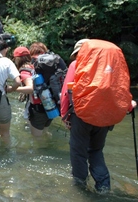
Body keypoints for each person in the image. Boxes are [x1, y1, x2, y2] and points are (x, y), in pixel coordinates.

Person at [60, 39, 137, 194]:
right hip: (105, 117)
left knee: (78, 152)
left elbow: (65, 94)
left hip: (81, 115)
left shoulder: (76, 65)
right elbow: (120, 89)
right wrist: (128, 106)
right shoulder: (112, 69)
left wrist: (64, 116)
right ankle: (103, 187)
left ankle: (80, 189)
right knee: (95, 151)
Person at [27, 41, 67, 137]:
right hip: (54, 104)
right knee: (45, 130)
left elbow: (30, 87)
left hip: (39, 107)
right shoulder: (55, 62)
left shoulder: (33, 65)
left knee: (36, 138)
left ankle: (41, 150)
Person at [13, 46, 34, 127]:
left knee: (29, 122)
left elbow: (30, 88)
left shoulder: (24, 70)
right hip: (42, 100)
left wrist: (13, 88)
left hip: (34, 102)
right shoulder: (32, 66)